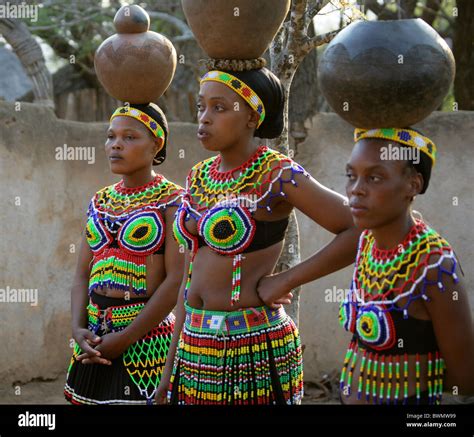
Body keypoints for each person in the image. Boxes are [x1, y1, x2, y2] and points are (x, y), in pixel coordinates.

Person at [155, 58, 360, 405]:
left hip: (250, 348)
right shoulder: (198, 176)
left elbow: (357, 229)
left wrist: (286, 280)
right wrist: (168, 372)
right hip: (193, 346)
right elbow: (189, 276)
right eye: (201, 106)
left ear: (253, 117)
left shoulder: (277, 173)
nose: (204, 117)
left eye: (219, 108)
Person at [336, 127, 474, 404]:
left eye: (374, 178)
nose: (356, 189)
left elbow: (466, 378)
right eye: (351, 175)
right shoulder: (367, 243)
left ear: (413, 185)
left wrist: (406, 383)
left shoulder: (434, 265)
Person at [65, 103, 184, 404]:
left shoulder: (173, 202)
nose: (116, 144)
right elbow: (82, 274)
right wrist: (79, 330)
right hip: (95, 335)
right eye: (111, 136)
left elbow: (176, 281)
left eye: (130, 137)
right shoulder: (100, 200)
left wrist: (125, 338)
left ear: (157, 144)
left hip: (147, 339)